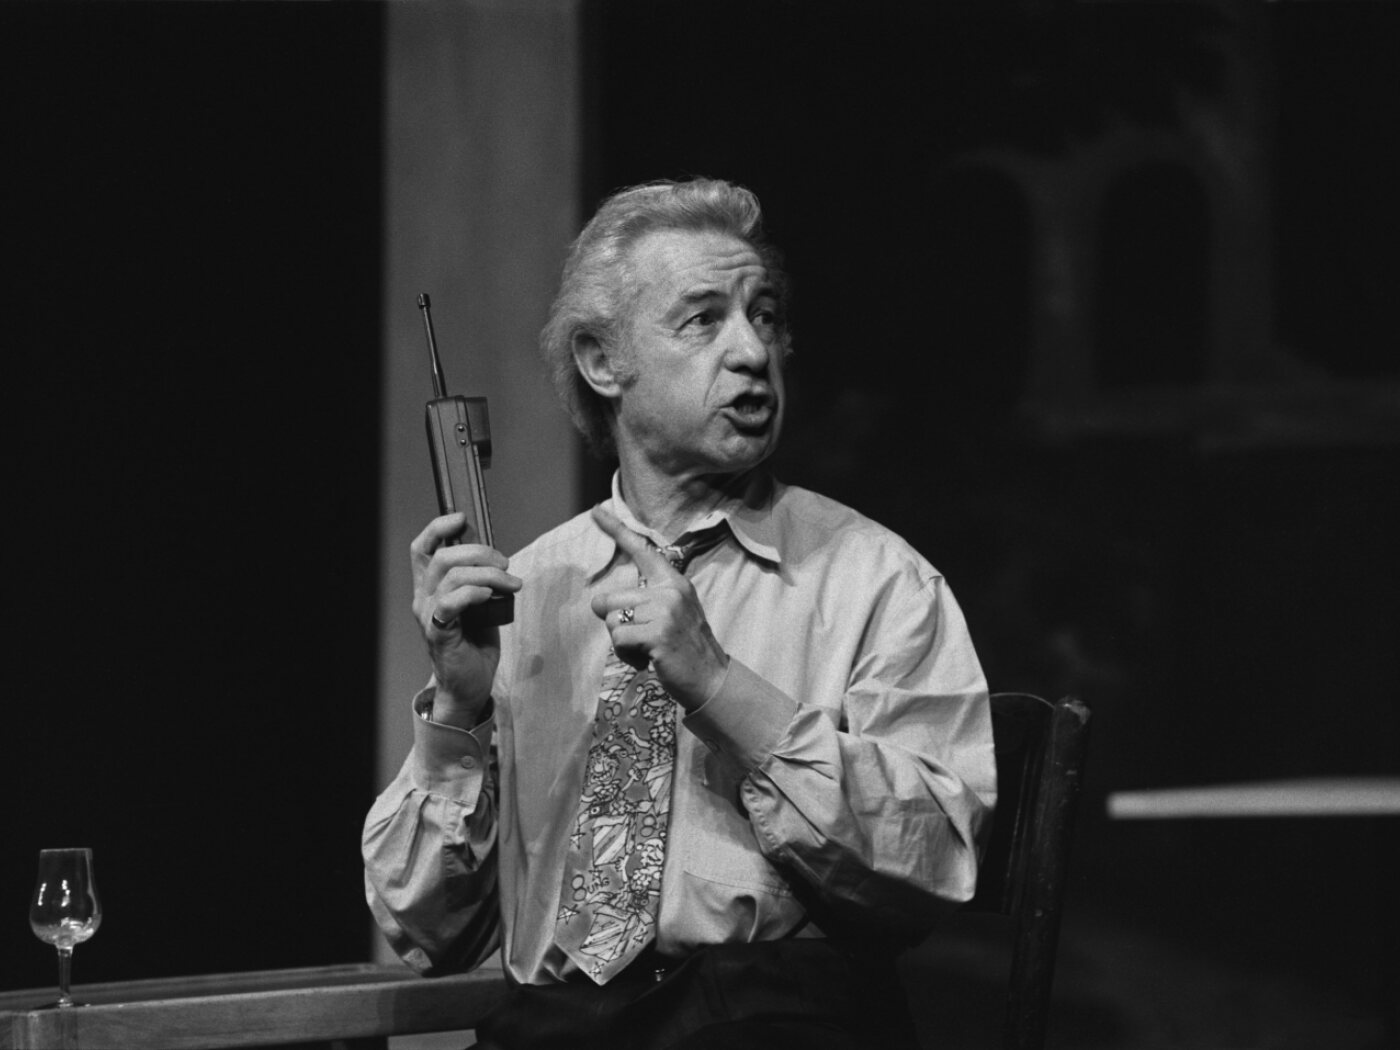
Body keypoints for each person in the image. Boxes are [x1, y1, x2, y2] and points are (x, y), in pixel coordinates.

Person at [363, 178, 996, 1050]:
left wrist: (722, 688)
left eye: (764, 316)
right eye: (703, 320)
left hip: (770, 1017)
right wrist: (459, 708)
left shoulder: (877, 580)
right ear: (602, 362)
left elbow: (936, 862)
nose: (753, 351)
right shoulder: (527, 591)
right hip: (554, 1026)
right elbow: (423, 928)